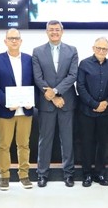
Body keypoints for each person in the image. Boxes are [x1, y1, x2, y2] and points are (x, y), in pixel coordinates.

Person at [32, 20, 78, 187]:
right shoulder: (37, 51)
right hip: (46, 103)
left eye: (57, 30)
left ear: (62, 31)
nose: (54, 32)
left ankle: (69, 174)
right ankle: (42, 174)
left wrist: (57, 92)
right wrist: (52, 96)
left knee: (67, 139)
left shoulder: (72, 50)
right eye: (51, 30)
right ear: (46, 32)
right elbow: (38, 78)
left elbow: (72, 75)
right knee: (45, 140)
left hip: (66, 101)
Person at [0, 29, 35, 190]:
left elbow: (35, 83)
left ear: (21, 41)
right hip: (5, 110)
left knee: (24, 144)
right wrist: (6, 102)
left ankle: (24, 175)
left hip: (26, 110)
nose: (14, 41)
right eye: (11, 38)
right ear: (5, 41)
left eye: (17, 38)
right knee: (4, 145)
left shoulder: (30, 60)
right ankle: (4, 176)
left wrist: (32, 101)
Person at [77, 37, 108, 187]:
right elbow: (80, 87)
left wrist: (105, 103)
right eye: (98, 48)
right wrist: (94, 104)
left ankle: (100, 173)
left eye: (104, 49)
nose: (101, 51)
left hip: (105, 112)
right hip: (86, 111)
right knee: (86, 144)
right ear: (93, 48)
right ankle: (86, 174)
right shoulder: (84, 64)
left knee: (102, 144)